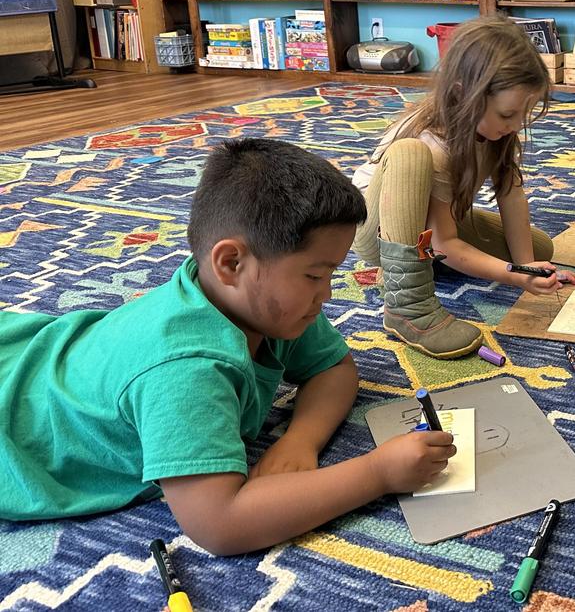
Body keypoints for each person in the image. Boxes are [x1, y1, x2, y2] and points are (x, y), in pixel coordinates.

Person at [0, 138, 455, 555]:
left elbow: (333, 368)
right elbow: (220, 525)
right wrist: (377, 473)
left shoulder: (264, 306)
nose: (329, 293)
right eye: (316, 275)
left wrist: (300, 439)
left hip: (42, 351)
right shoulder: (184, 369)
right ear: (231, 262)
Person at [352, 15, 575, 359]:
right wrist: (513, 277)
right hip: (379, 229)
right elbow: (445, 242)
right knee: (411, 154)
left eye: (524, 113)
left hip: (436, 223)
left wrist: (525, 267)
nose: (517, 124)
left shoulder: (494, 130)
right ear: (464, 94)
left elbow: (511, 194)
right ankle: (406, 305)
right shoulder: (435, 142)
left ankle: (426, 261)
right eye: (507, 115)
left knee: (538, 247)